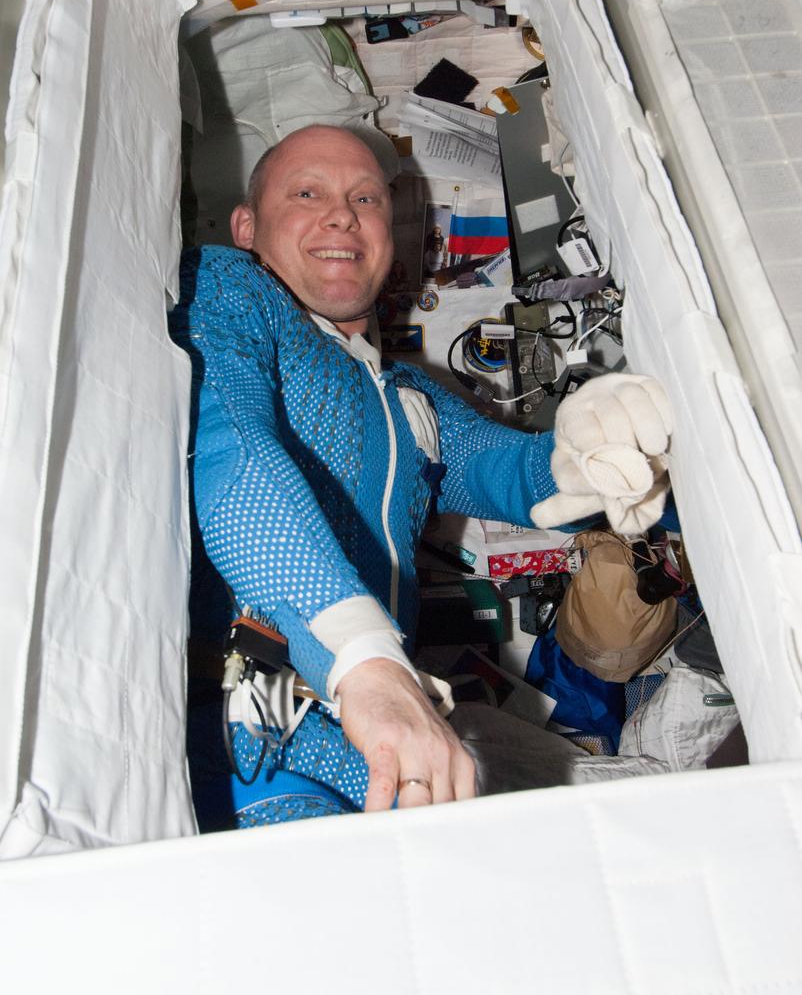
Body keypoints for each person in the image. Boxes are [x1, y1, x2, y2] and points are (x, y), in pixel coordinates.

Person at [170, 124, 672, 829]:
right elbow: (236, 462)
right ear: (248, 227)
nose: (342, 214)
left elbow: (509, 471)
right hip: (253, 736)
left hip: (378, 737)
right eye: (307, 192)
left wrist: (584, 456)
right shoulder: (228, 290)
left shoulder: (410, 395)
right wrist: (367, 664)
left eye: (366, 198)